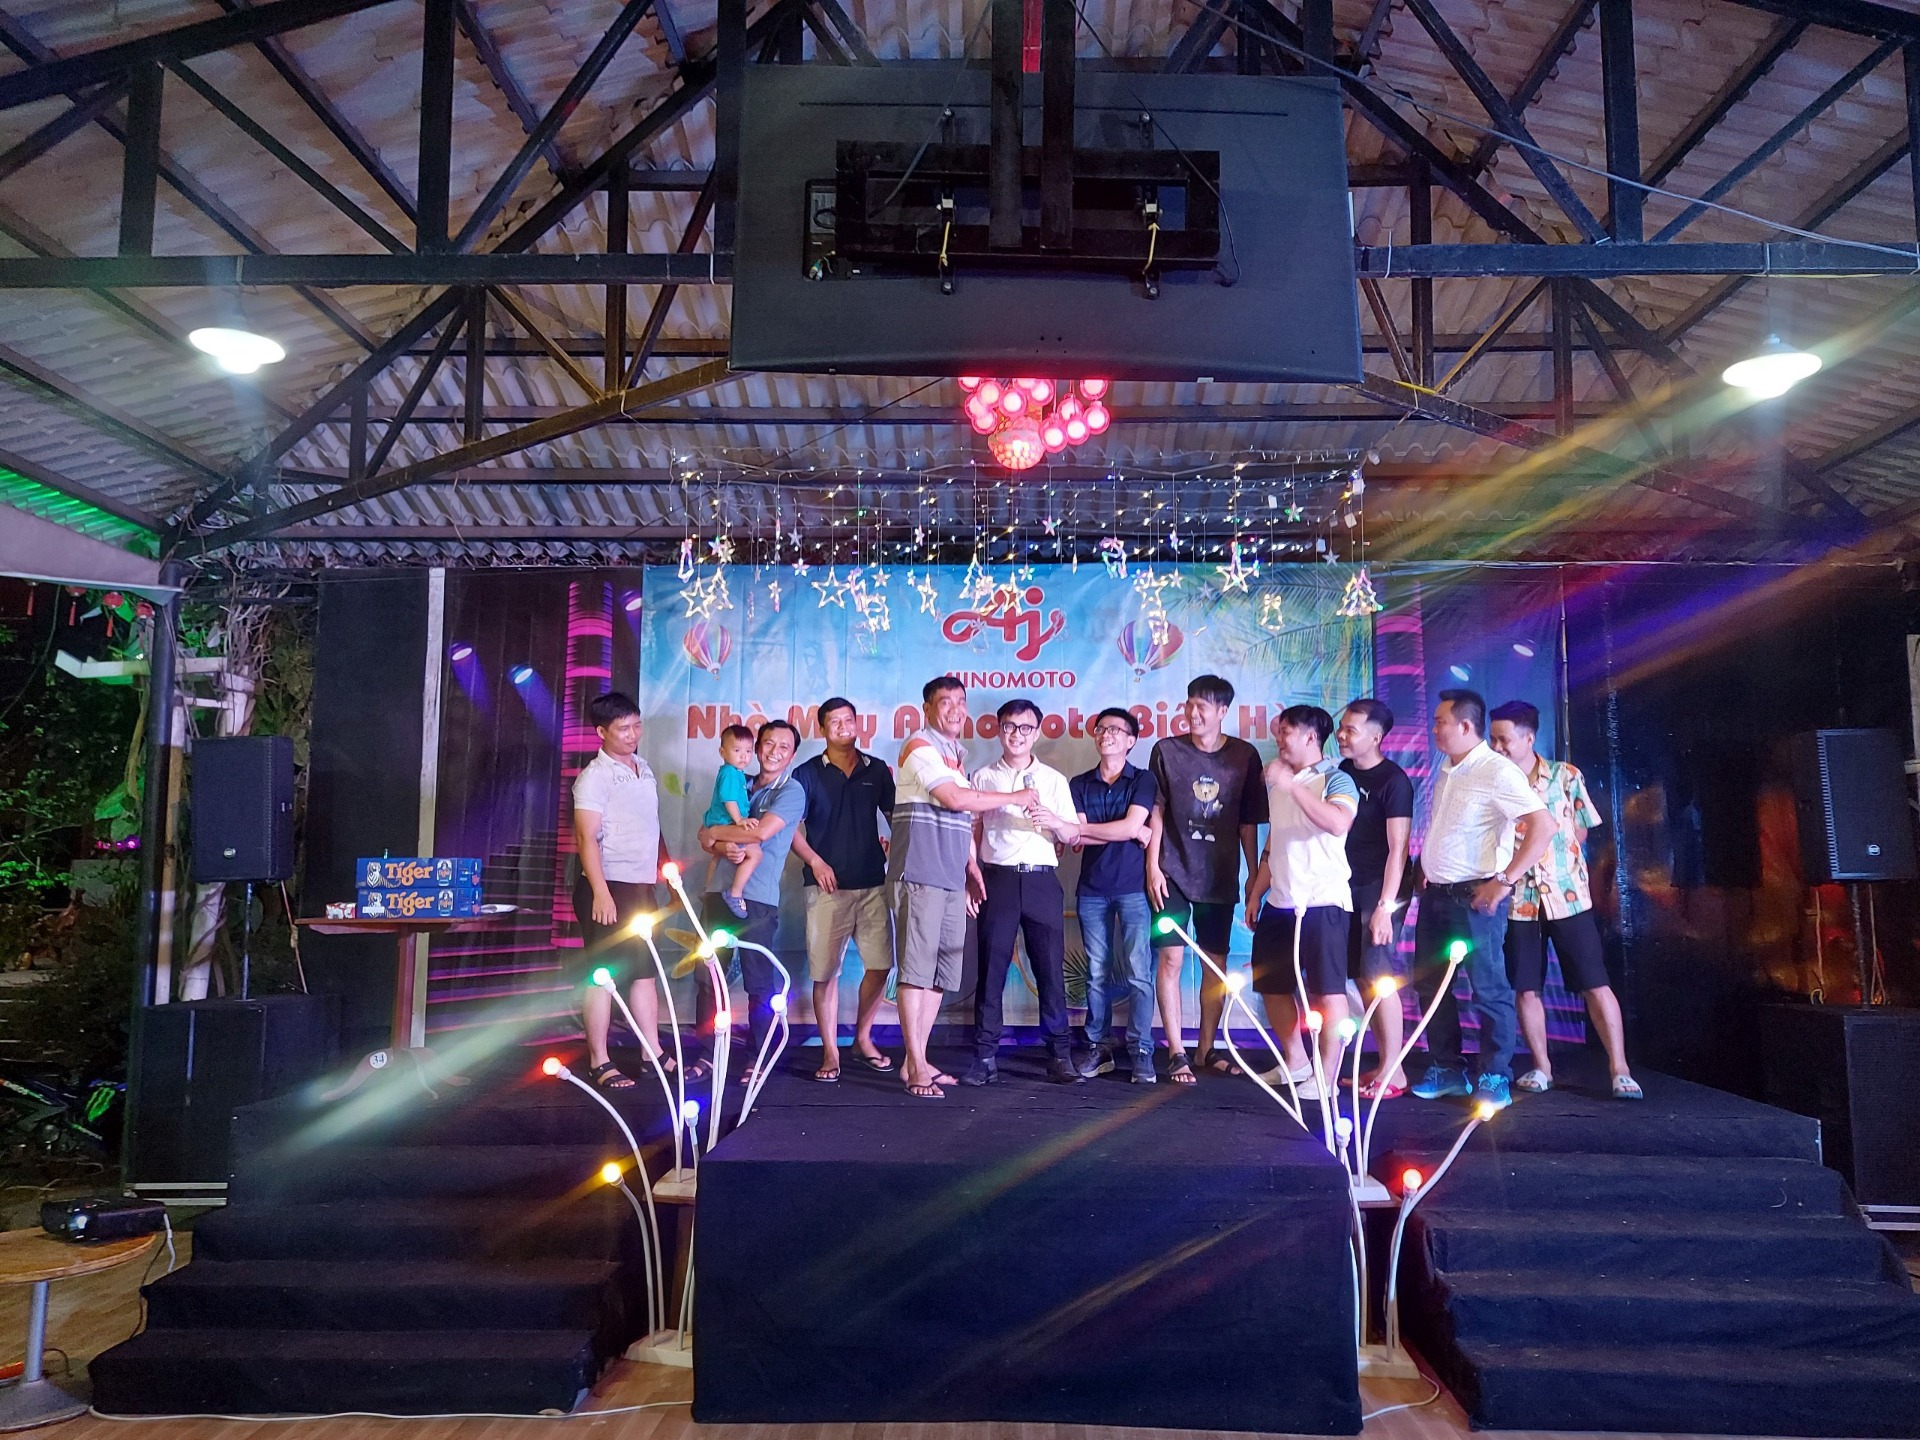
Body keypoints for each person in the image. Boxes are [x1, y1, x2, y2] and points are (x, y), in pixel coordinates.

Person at [889, 677, 1039, 1099]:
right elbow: (955, 799)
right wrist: (1016, 797)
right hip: (920, 873)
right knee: (916, 972)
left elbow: (960, 819)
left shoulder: (957, 754)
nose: (956, 709)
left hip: (952, 876)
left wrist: (971, 865)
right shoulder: (920, 746)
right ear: (926, 708)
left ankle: (915, 1060)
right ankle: (916, 1065)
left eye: (961, 701)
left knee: (940, 974)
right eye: (945, 702)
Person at [1411, 688, 1557, 1111]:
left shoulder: (1496, 770)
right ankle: (1447, 1068)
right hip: (1437, 896)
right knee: (1431, 985)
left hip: (1475, 899)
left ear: (1465, 726)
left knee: (1488, 987)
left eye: (1440, 722)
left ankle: (1495, 1074)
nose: (1434, 729)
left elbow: (1544, 826)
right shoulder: (1448, 768)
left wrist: (1504, 881)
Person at [1488, 701, 1642, 1101]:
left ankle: (1620, 1069)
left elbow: (1583, 828)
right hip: (1518, 900)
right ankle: (1541, 1067)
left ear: (1528, 738)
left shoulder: (1565, 775)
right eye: (1493, 740)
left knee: (1595, 982)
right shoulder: (1491, 781)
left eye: (1504, 739)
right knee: (1526, 986)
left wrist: (1556, 854)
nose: (1498, 747)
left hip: (1567, 895)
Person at [1146, 674, 1266, 1085]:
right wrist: (1152, 865)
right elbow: (1156, 811)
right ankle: (1176, 1051)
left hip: (1219, 875)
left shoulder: (1245, 755)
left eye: (1203, 706)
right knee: (1171, 958)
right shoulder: (1167, 751)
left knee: (1215, 963)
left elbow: (1248, 822)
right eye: (1190, 704)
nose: (1193, 713)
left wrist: (1253, 875)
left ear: (1222, 711)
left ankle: (1205, 1049)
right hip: (1172, 873)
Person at [962, 699, 1083, 1086]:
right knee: (990, 970)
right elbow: (973, 830)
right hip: (997, 880)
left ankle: (1060, 1055)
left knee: (1049, 969)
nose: (1017, 734)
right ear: (998, 731)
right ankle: (985, 1056)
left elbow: (1073, 835)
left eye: (1025, 728)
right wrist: (971, 875)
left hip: (1041, 881)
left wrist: (1054, 821)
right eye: (1010, 727)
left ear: (1037, 733)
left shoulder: (1053, 780)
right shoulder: (983, 777)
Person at [1244, 705, 1358, 1097]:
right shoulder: (1279, 784)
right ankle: (1296, 1062)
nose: (1278, 740)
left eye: (1286, 732)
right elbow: (1275, 842)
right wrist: (1256, 892)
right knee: (1272, 985)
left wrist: (1292, 786)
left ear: (1311, 737)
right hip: (1280, 901)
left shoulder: (1336, 778)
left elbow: (1338, 823)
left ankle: (1326, 1079)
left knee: (1327, 991)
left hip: (1324, 902)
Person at [571, 692, 677, 1091]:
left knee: (645, 972)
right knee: (603, 976)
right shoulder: (594, 777)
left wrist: (666, 875)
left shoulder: (643, 768)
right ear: (602, 732)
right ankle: (599, 1060)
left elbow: (651, 826)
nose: (633, 734)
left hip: (641, 886)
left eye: (636, 726)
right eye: (623, 729)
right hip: (608, 885)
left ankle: (652, 1053)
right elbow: (586, 837)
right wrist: (600, 892)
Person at [789, 697, 897, 1083]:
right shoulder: (806, 774)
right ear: (822, 729)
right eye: (834, 722)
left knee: (881, 966)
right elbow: (789, 827)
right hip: (826, 889)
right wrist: (815, 862)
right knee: (825, 973)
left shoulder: (877, 769)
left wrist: (897, 850)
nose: (842, 727)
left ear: (857, 723)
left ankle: (863, 1039)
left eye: (848, 720)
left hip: (872, 883)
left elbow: (896, 818)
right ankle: (830, 1052)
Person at [699, 719, 806, 1086]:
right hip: (717, 892)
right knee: (709, 978)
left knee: (758, 982)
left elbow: (759, 832)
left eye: (784, 747)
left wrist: (715, 833)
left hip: (756, 901)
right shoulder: (737, 781)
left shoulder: (791, 791)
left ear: (792, 755)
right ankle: (708, 1055)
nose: (774, 752)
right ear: (757, 747)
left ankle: (757, 1057)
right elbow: (703, 835)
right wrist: (718, 842)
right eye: (768, 744)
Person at [1069, 708, 1159, 1082]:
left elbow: (1119, 826)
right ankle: (1098, 1046)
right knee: (1095, 973)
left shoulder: (1143, 779)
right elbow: (1075, 836)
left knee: (1139, 972)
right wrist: (1129, 831)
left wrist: (1129, 828)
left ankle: (1141, 1050)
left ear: (1131, 740)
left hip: (1134, 888)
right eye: (1101, 729)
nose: (1106, 734)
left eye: (1116, 730)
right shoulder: (1079, 783)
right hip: (1092, 890)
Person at [1336, 699, 1415, 1100]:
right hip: (1348, 884)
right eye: (1341, 727)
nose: (1341, 735)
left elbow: (1398, 850)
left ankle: (1395, 1071)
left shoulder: (1393, 781)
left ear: (1376, 737)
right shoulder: (1343, 771)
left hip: (1382, 886)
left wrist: (1384, 908)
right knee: (1362, 975)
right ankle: (1384, 1062)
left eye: (1351, 730)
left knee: (1379, 974)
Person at [701, 725, 761, 920]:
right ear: (722, 752)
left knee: (717, 856)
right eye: (737, 750)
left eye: (748, 751)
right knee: (755, 853)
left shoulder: (735, 773)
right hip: (726, 822)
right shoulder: (730, 773)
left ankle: (707, 889)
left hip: (720, 822)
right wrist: (739, 820)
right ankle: (735, 893)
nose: (744, 756)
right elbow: (729, 799)